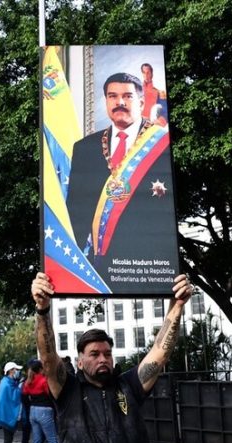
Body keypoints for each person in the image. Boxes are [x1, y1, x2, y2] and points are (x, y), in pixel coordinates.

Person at [30, 271, 192, 443]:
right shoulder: (68, 390)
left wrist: (177, 306)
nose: (102, 359)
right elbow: (48, 358)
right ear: (79, 361)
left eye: (107, 353)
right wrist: (42, 309)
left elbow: (160, 353)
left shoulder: (129, 385)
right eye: (94, 354)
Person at [66, 72, 177, 291]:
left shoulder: (162, 144)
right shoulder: (84, 148)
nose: (120, 102)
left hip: (148, 266)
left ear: (141, 102)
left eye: (127, 96)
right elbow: (76, 213)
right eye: (113, 96)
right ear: (106, 101)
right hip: (100, 265)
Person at [22, 358, 64, 443]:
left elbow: (24, 394)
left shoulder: (28, 381)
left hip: (33, 411)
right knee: (52, 440)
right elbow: (52, 394)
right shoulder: (44, 380)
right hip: (45, 411)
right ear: (41, 368)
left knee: (36, 441)